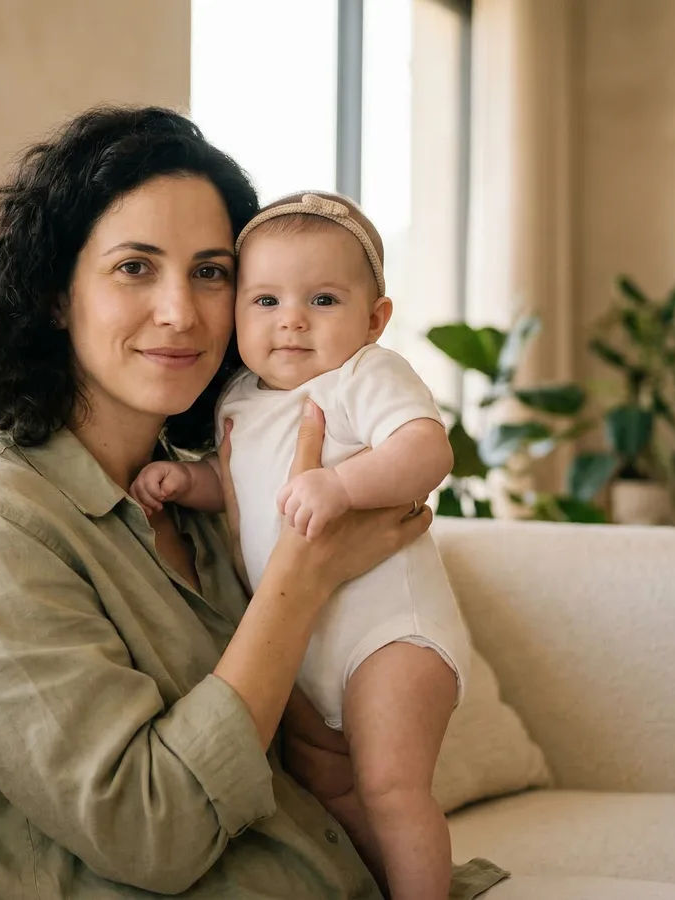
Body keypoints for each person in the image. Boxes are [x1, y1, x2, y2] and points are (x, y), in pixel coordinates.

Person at [0, 105, 507, 899]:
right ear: (54, 293)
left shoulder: (197, 488)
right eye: (135, 267)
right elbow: (156, 833)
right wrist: (303, 574)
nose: (183, 312)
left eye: (212, 272)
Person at [129, 190, 473, 899]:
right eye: (264, 302)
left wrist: (343, 487)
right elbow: (247, 489)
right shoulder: (240, 400)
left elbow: (426, 450)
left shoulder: (361, 377)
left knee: (391, 785)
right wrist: (189, 482)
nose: (290, 320)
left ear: (374, 319)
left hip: (391, 635)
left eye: (321, 300)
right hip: (308, 645)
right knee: (329, 785)